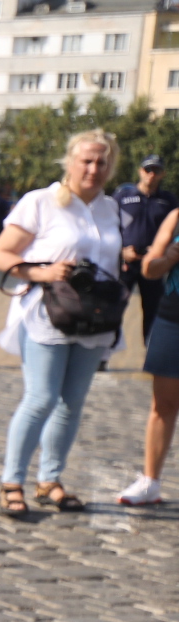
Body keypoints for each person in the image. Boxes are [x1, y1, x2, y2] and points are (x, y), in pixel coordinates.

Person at [0, 129, 124, 517]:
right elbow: (1, 254)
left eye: (102, 162)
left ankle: (50, 480)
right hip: (47, 314)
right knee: (42, 398)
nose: (94, 168)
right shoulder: (42, 202)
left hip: (94, 318)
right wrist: (43, 272)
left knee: (72, 404)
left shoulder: (111, 208)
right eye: (86, 160)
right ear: (70, 161)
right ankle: (11, 481)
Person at [121, 199, 179, 506]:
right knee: (163, 405)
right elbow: (149, 268)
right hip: (173, 319)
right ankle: (150, 482)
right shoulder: (176, 218)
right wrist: (171, 255)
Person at [115, 155, 174, 342]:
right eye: (148, 170)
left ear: (162, 174)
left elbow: (174, 231)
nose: (151, 175)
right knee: (114, 307)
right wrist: (122, 252)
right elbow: (108, 228)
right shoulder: (123, 197)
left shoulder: (168, 201)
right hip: (126, 263)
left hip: (153, 264)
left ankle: (151, 352)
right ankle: (104, 354)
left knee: (153, 310)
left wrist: (163, 252)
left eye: (156, 171)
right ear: (140, 171)